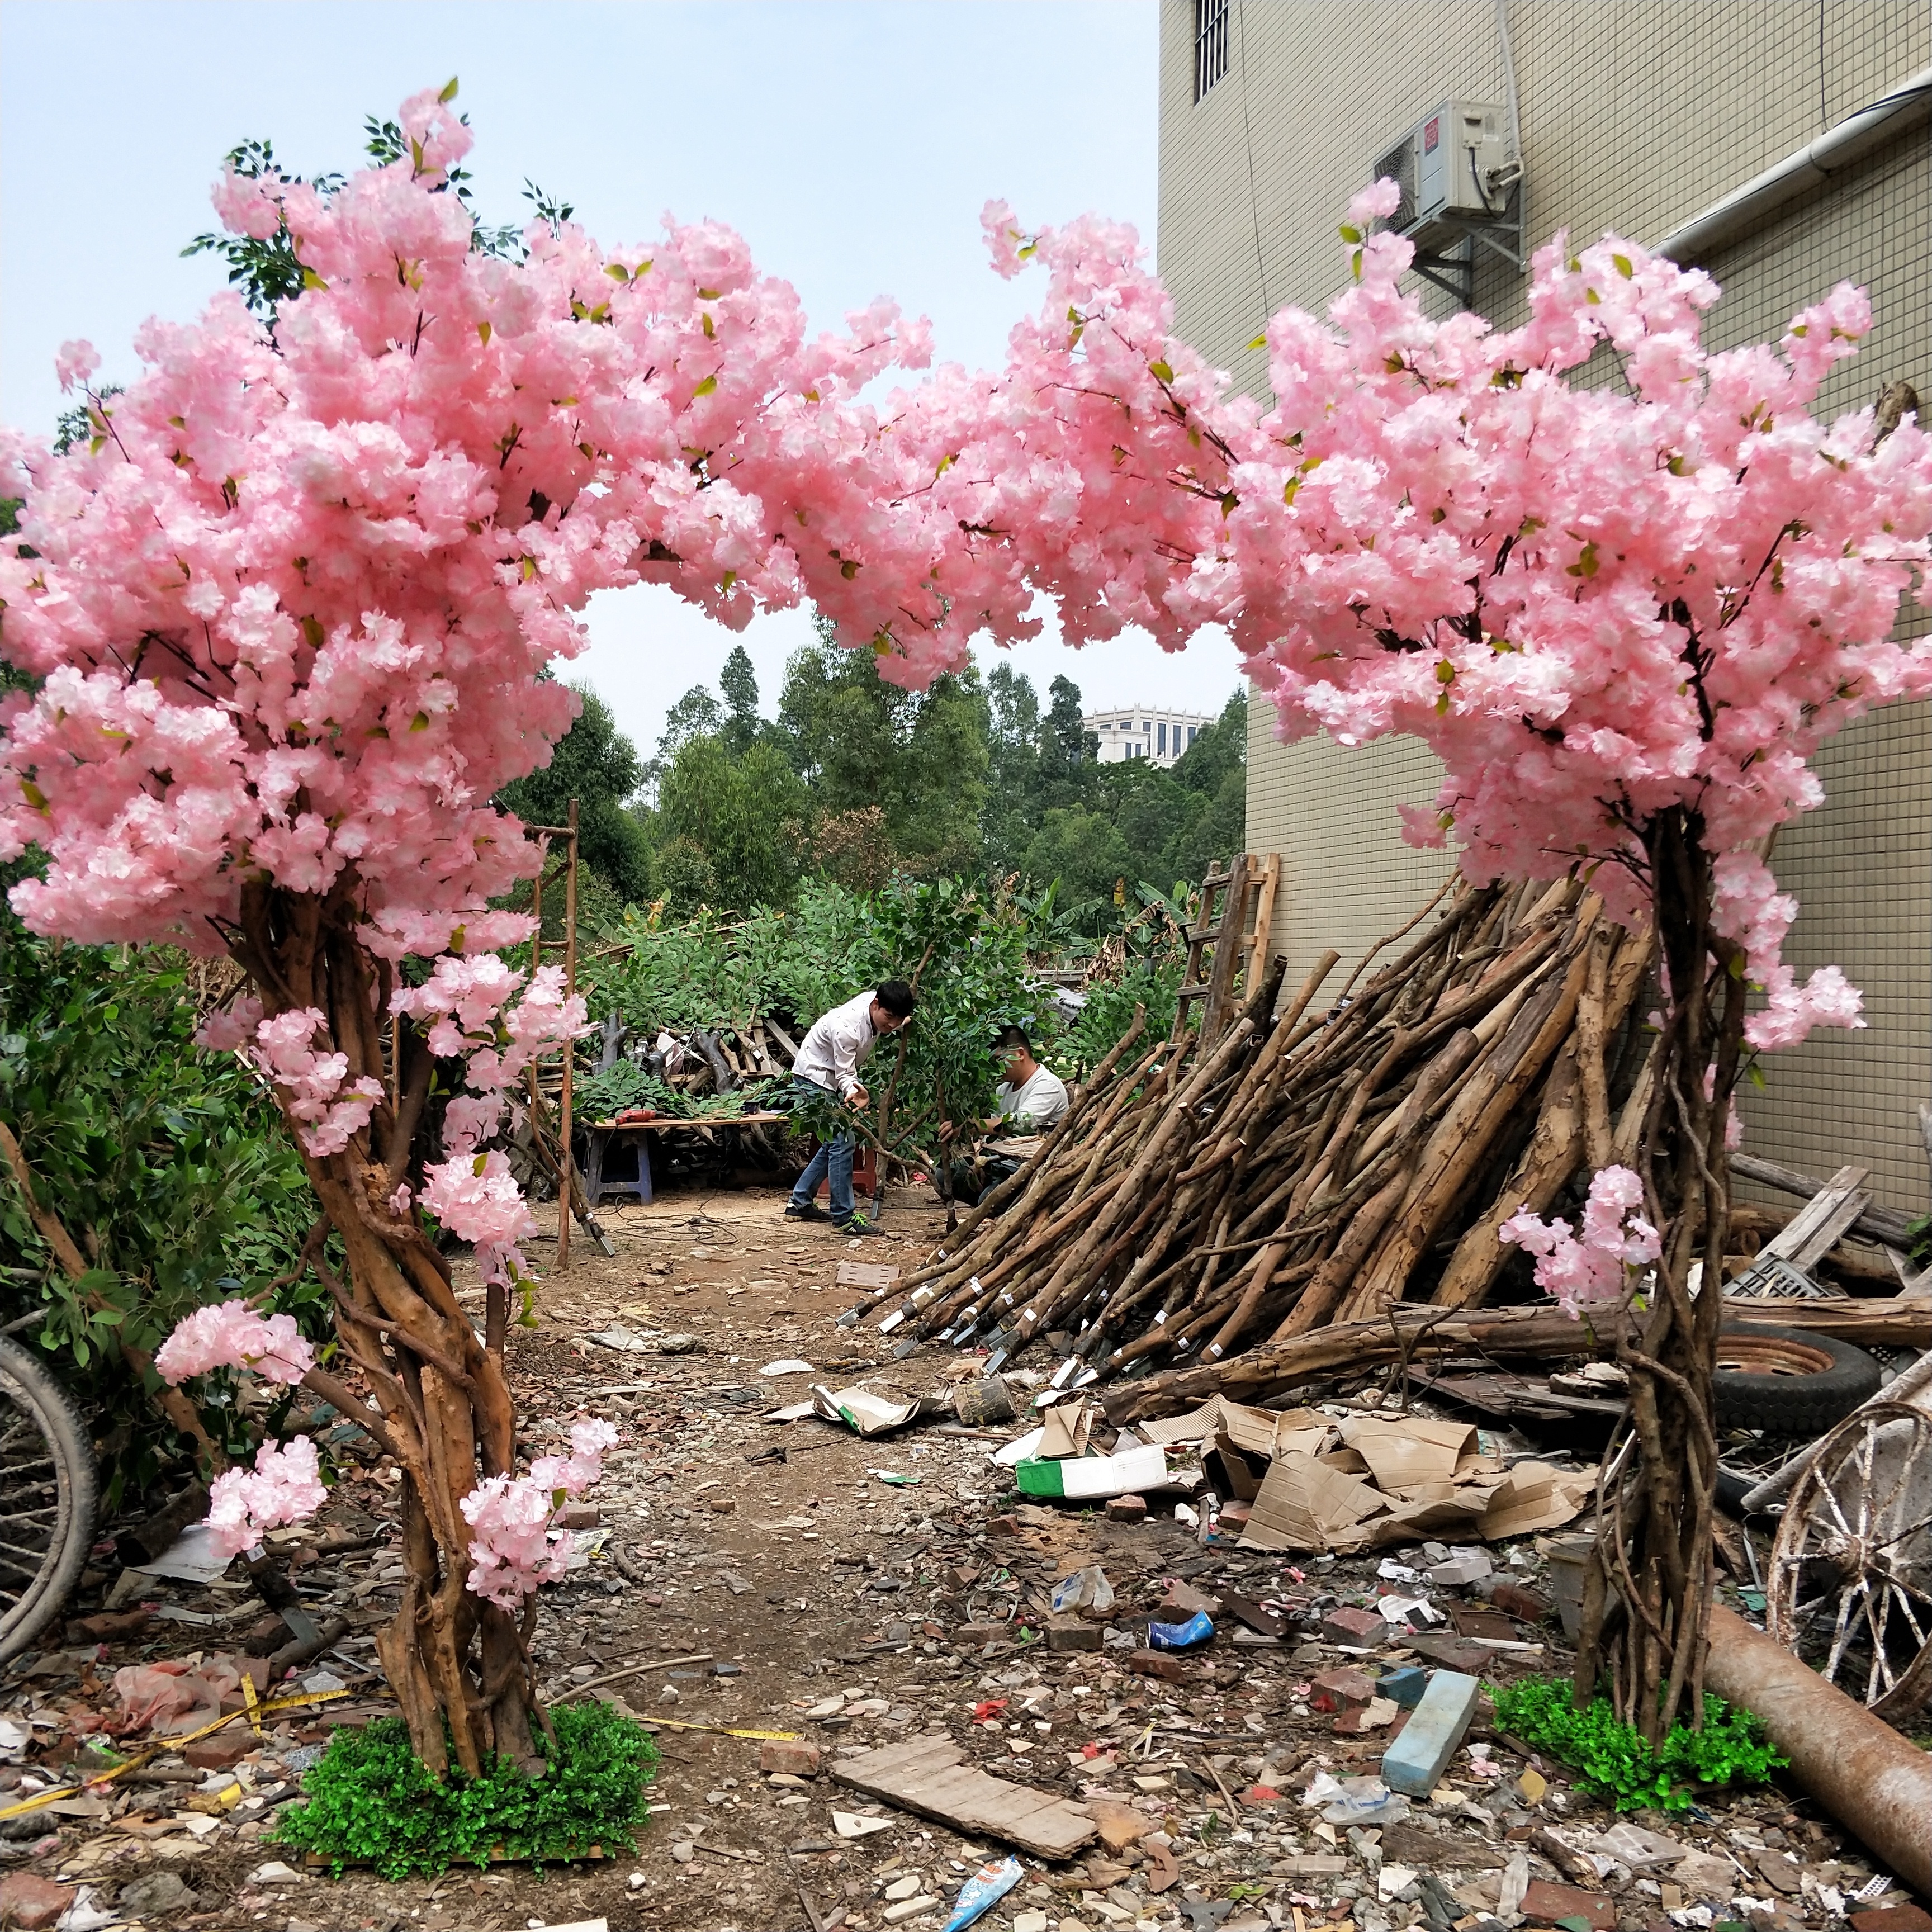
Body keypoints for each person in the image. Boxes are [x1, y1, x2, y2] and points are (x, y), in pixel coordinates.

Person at [784, 980, 917, 1235]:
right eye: (888, 1019)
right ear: (876, 1005)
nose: (890, 1026)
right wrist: (855, 1091)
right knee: (843, 1141)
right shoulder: (848, 1027)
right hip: (814, 1077)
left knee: (833, 1143)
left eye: (896, 1022)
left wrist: (901, 1022)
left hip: (828, 1079)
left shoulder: (880, 1008)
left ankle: (799, 1202)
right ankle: (844, 1217)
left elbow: (893, 1017)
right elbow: (845, 1074)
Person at [945, 1025, 1069, 1206]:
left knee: (989, 1200)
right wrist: (979, 1160)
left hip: (1028, 1167)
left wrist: (969, 1125)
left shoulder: (1047, 1085)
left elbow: (1017, 1124)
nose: (996, 1067)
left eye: (999, 1060)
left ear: (1019, 1053)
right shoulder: (1002, 1089)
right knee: (947, 1175)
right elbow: (993, 1136)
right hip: (998, 1162)